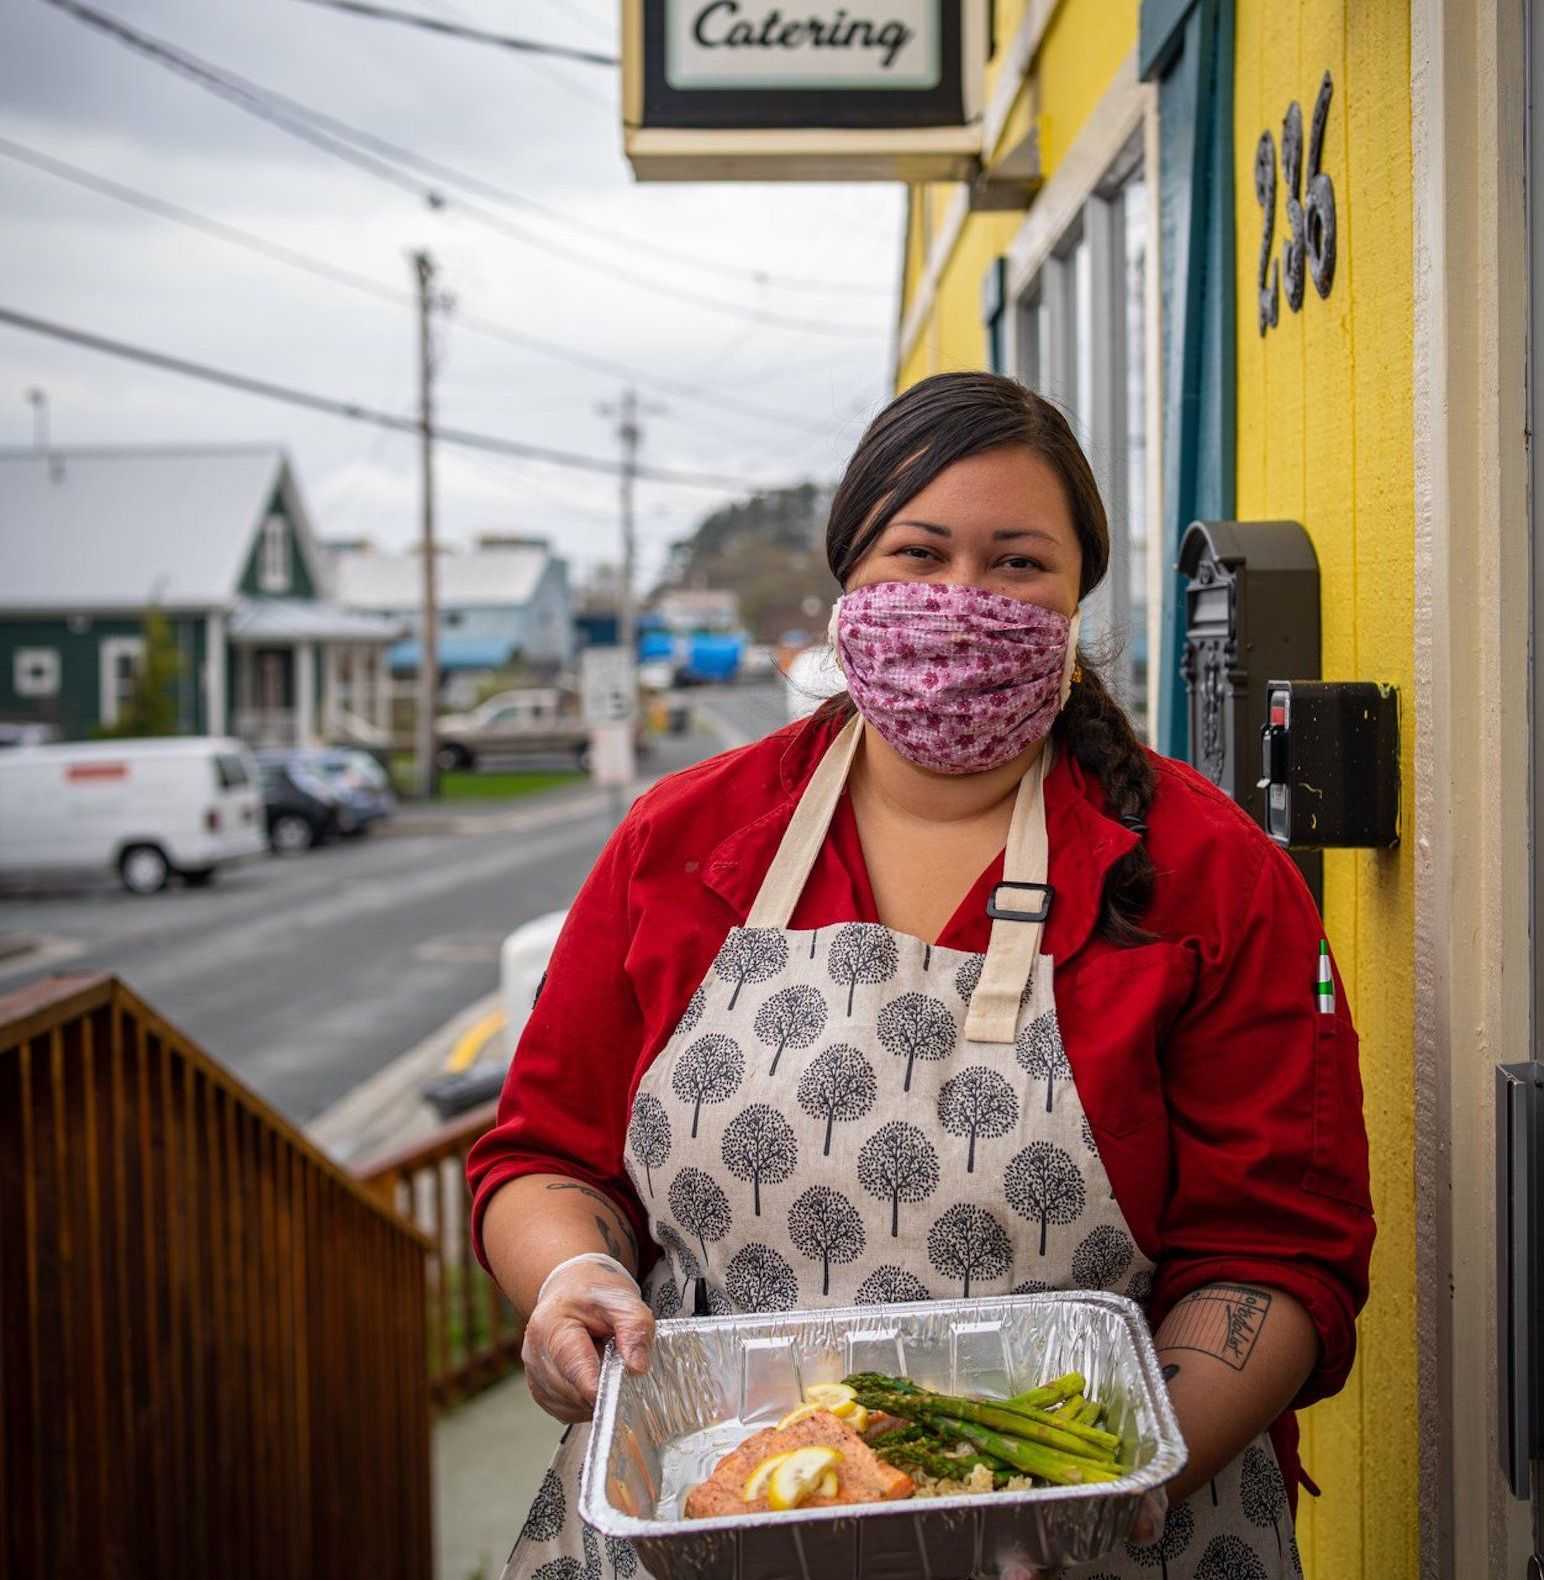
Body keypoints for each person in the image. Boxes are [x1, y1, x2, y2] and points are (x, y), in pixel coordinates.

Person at [467, 372, 1374, 1579]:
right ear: (847, 573)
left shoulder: (1210, 876)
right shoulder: (683, 841)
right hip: (710, 1514)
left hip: (1099, 1533)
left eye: (1015, 563)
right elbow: (543, 1152)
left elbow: (1276, 1253)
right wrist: (571, 1274)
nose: (959, 599)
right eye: (917, 551)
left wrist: (1104, 1484)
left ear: (1075, 595)